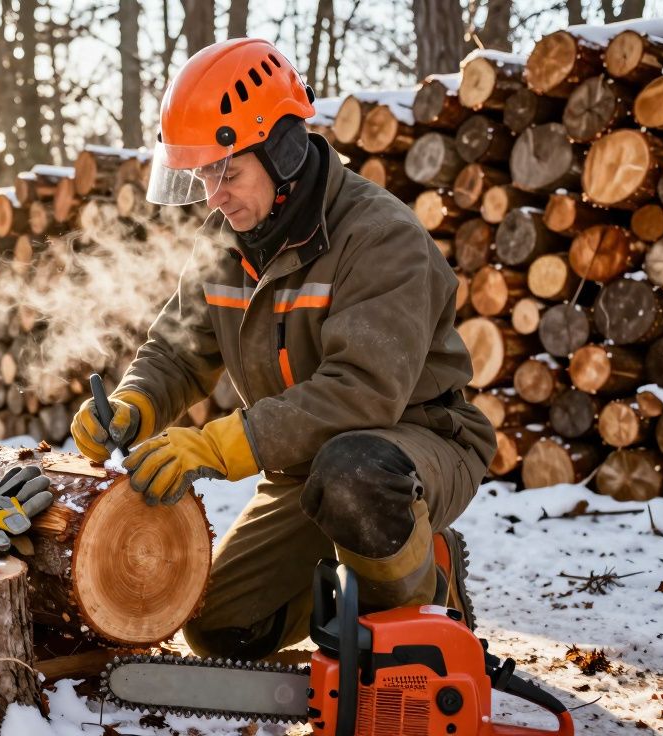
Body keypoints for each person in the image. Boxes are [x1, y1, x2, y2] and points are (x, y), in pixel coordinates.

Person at [70, 38, 498, 661]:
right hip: (301, 466)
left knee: (355, 475)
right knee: (219, 629)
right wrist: (136, 403)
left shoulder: (380, 237)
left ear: (284, 148)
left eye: (226, 171)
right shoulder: (228, 237)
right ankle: (350, 583)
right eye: (202, 176)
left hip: (409, 445)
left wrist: (218, 445)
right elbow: (179, 350)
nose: (214, 195)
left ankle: (423, 597)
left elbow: (362, 393)